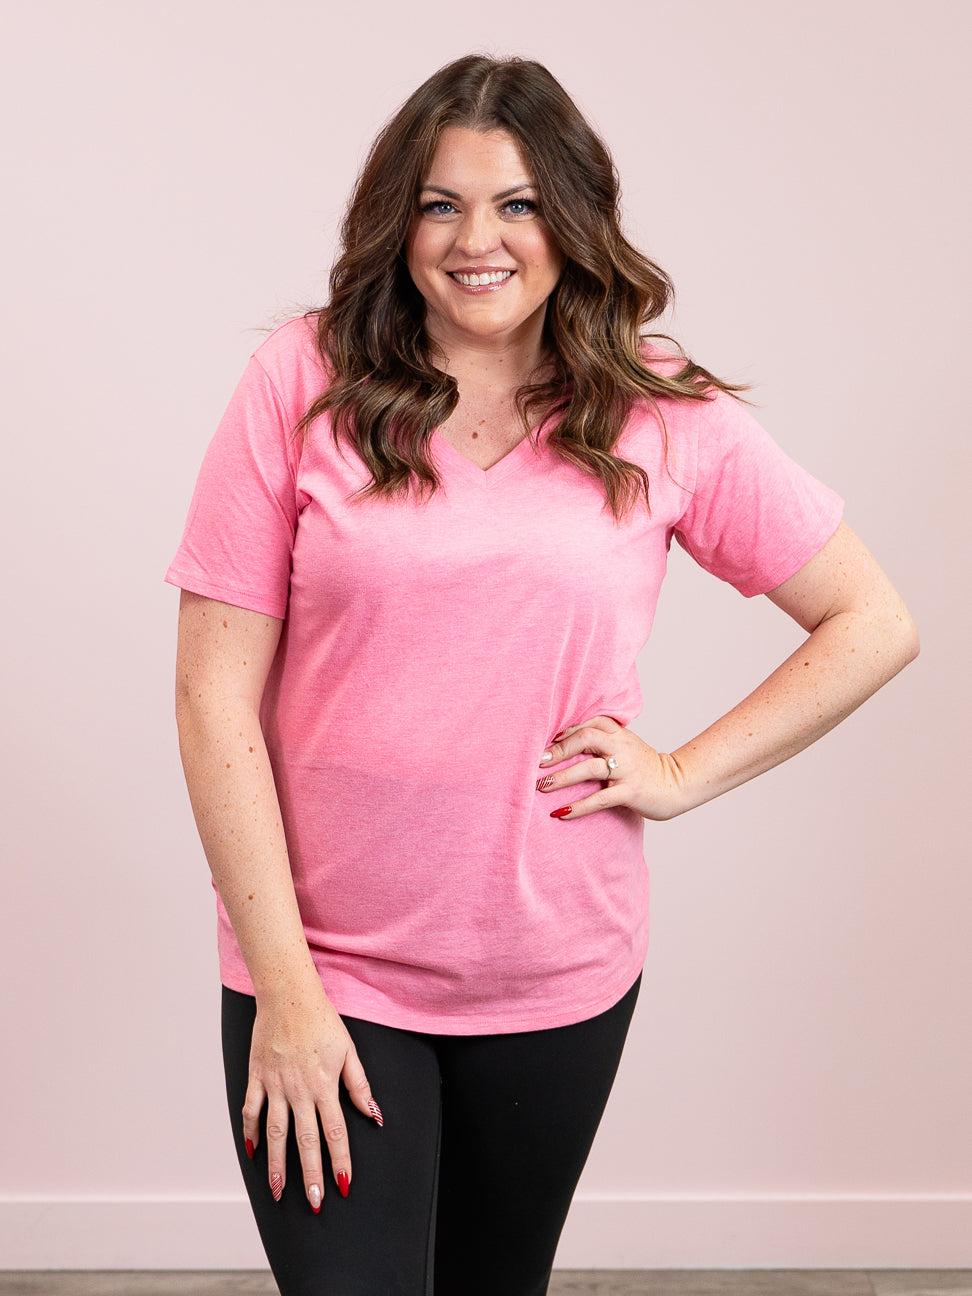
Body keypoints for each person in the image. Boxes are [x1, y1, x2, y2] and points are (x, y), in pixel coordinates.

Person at [167, 53, 918, 1296]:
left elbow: (870, 619)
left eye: (516, 203)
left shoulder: (659, 409)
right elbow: (211, 697)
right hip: (325, 970)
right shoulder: (302, 380)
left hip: (556, 975)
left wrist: (680, 773)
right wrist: (287, 996)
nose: (479, 241)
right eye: (441, 204)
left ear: (571, 218)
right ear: (397, 221)